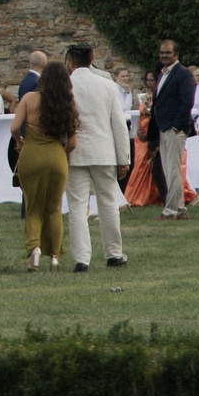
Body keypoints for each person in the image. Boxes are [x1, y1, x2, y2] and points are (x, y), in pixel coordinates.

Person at [62, 42, 130, 268]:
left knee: (77, 205)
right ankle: (113, 253)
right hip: (103, 150)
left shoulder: (65, 85)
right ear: (92, 59)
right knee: (108, 202)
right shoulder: (107, 85)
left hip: (74, 151)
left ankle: (82, 259)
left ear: (70, 62)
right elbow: (118, 124)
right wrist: (124, 158)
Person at [8, 58, 76, 268]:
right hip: (56, 157)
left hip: (32, 155)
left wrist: (20, 142)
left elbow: (14, 127)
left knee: (33, 207)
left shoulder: (29, 98)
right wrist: (60, 153)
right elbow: (72, 142)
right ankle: (54, 255)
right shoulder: (68, 103)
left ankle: (34, 249)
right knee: (54, 207)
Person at [145, 39, 196, 219]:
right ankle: (180, 209)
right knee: (168, 169)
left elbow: (187, 102)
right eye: (162, 53)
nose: (164, 56)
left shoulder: (183, 74)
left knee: (172, 170)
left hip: (173, 129)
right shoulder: (163, 74)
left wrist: (176, 127)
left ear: (176, 54)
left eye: (168, 53)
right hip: (163, 127)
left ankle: (170, 211)